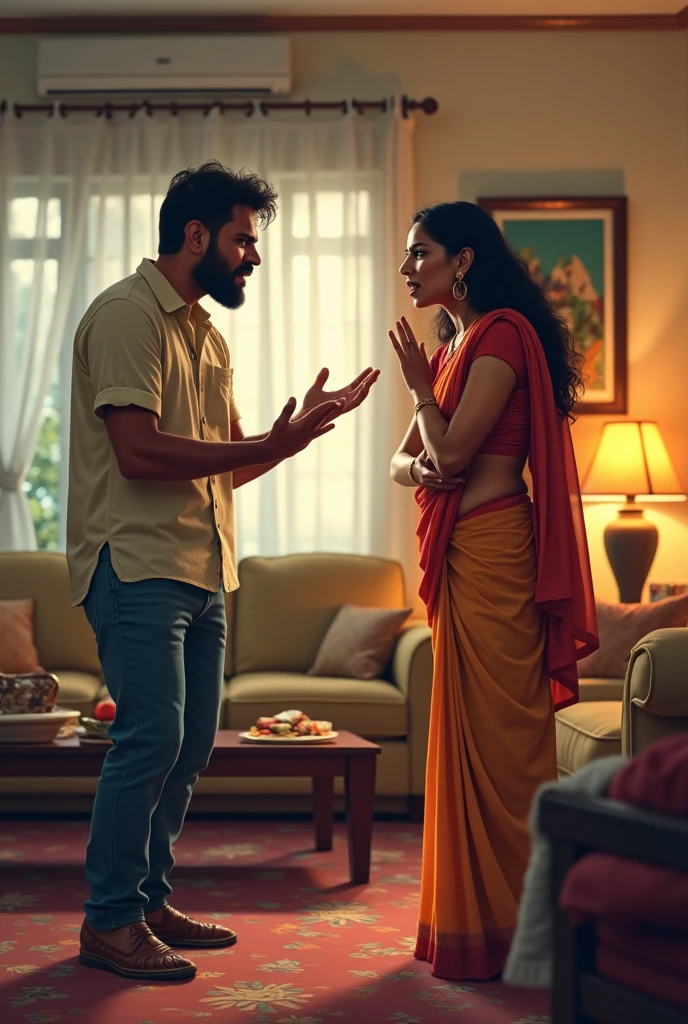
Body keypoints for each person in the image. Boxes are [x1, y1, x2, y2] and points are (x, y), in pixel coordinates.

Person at [67, 161, 379, 982]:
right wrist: (270, 444)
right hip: (134, 564)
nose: (254, 257)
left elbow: (227, 466)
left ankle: (148, 901)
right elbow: (137, 454)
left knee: (191, 743)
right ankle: (109, 920)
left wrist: (294, 438)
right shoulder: (126, 316)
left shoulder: (205, 334)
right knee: (150, 739)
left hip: (202, 569)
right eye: (245, 239)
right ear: (196, 236)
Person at [388, 201, 598, 981]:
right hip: (463, 555)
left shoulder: (502, 334)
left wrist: (418, 393)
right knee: (462, 739)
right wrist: (424, 440)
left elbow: (448, 446)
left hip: (499, 556)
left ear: (463, 260)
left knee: (507, 748)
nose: (409, 269)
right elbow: (409, 464)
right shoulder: (455, 345)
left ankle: (532, 930)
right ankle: (470, 925)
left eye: (421, 254)